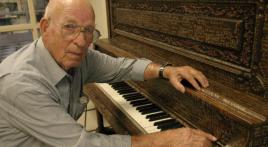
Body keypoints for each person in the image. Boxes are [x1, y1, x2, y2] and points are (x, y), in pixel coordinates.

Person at [0, 0, 217, 146]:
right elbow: (83, 144)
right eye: (70, 27)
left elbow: (122, 67)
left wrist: (165, 70)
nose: (81, 41)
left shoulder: (77, 56)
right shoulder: (20, 84)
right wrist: (168, 138)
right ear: (45, 27)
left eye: (88, 31)